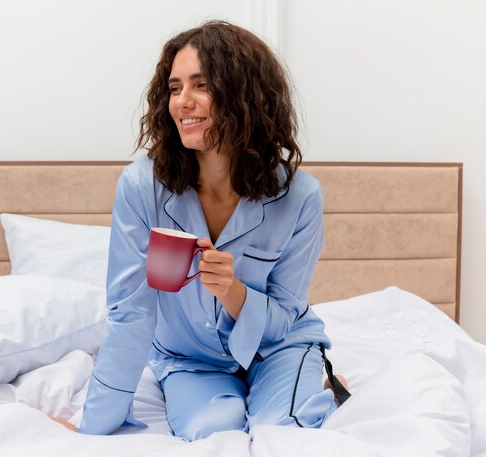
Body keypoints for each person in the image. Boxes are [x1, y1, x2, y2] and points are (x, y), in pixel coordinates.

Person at [71, 20, 349, 441]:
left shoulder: (300, 197)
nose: (183, 101)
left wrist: (233, 291)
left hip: (278, 348)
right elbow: (130, 311)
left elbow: (282, 318)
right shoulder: (141, 187)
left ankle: (315, 382)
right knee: (212, 434)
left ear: (245, 96)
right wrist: (91, 430)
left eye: (201, 85)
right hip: (189, 359)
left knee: (282, 432)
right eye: (174, 87)